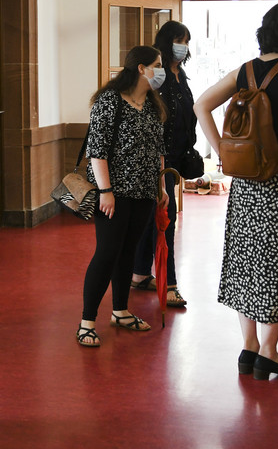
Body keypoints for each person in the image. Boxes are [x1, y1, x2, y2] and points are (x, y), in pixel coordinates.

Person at [193, 2, 278, 379]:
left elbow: (201, 104)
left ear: (263, 33)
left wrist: (221, 151)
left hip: (248, 183)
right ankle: (270, 351)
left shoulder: (244, 71)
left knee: (249, 259)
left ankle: (249, 347)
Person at [77, 45, 169, 348]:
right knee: (107, 253)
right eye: (157, 64)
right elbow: (97, 150)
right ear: (141, 68)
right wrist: (105, 191)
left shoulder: (153, 105)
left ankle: (120, 310)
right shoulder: (109, 101)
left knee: (128, 252)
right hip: (114, 193)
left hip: (143, 192)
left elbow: (159, 151)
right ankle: (87, 321)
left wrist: (162, 189)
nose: (161, 69)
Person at [130, 22, 196, 308]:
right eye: (179, 40)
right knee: (166, 219)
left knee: (153, 217)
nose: (183, 46)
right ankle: (169, 283)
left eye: (186, 41)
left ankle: (140, 274)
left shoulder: (182, 76)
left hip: (177, 157)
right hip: (160, 157)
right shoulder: (159, 78)